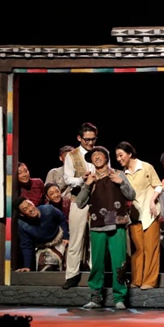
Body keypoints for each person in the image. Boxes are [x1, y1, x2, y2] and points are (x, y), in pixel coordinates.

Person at [76, 146, 136, 310]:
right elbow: (80, 203)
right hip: (97, 225)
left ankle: (119, 298)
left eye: (99, 154)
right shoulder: (91, 178)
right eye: (93, 155)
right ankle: (95, 298)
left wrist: (121, 182)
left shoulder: (118, 174)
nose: (96, 157)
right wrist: (87, 185)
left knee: (119, 262)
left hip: (116, 223)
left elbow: (132, 195)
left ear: (106, 157)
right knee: (97, 264)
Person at [115, 141, 163, 290]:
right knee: (137, 249)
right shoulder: (122, 174)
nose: (119, 159)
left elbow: (158, 185)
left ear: (129, 153)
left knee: (151, 247)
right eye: (117, 156)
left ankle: (150, 281)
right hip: (134, 214)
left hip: (150, 212)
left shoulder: (146, 167)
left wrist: (153, 201)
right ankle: (137, 280)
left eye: (121, 155)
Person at [62, 122, 98, 289]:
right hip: (78, 200)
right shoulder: (72, 155)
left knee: (95, 240)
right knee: (76, 238)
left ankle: (95, 273)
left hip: (97, 201)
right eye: (87, 139)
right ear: (79, 138)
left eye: (93, 139)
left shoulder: (100, 153)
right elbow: (67, 178)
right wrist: (81, 179)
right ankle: (72, 275)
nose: (90, 142)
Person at [15, 196, 69, 272]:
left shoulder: (48, 209)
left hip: (59, 239)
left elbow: (62, 217)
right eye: (25, 209)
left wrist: (66, 236)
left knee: (69, 259)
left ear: (32, 203)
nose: (30, 209)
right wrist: (27, 266)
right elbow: (26, 245)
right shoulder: (23, 225)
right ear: (22, 214)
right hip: (43, 246)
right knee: (44, 263)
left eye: (29, 205)